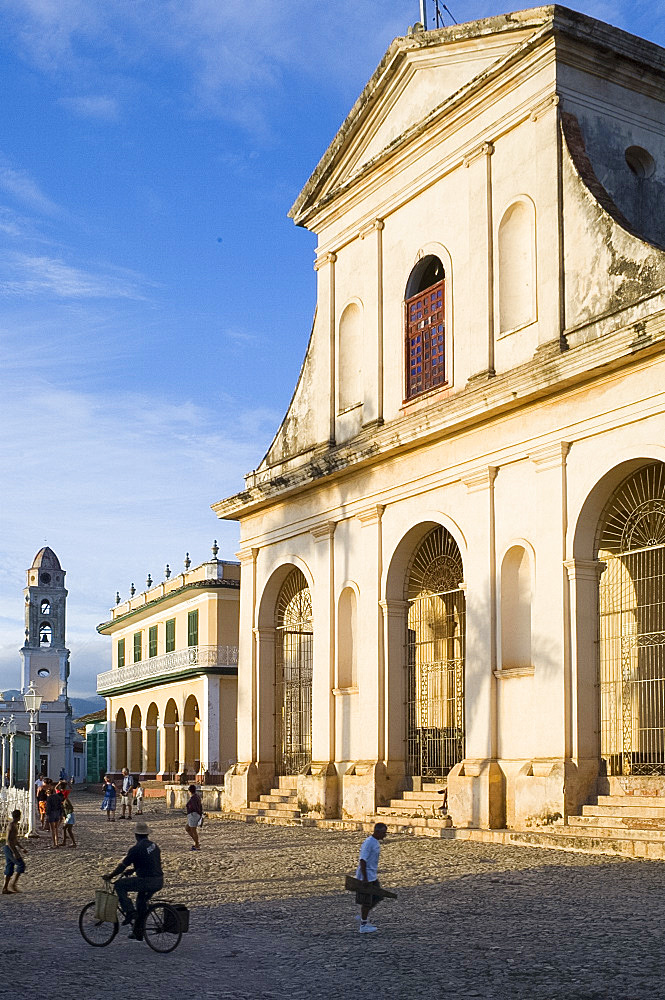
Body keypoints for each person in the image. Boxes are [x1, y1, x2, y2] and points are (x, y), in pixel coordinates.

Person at [104, 821, 163, 940]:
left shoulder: (136, 849)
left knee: (120, 885)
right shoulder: (154, 846)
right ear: (147, 834)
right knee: (141, 904)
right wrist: (133, 870)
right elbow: (150, 862)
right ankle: (138, 932)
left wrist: (110, 876)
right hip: (158, 880)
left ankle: (129, 912)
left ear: (136, 835)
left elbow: (122, 866)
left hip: (147, 881)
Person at [355, 822, 388, 934]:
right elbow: (363, 860)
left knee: (378, 896)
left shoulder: (375, 842)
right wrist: (364, 878)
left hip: (372, 875)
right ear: (377, 832)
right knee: (367, 901)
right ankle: (363, 925)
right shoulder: (369, 843)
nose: (385, 835)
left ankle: (364, 915)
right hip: (367, 876)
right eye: (383, 833)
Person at [3, 810, 25, 894]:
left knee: (9, 866)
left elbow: (14, 839)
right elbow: (9, 840)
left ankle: (5, 888)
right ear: (19, 816)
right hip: (9, 848)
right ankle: (13, 884)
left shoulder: (14, 825)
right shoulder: (11, 826)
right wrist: (14, 852)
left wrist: (21, 848)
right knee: (21, 864)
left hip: (10, 848)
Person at [45, 783, 64, 848]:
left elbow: (48, 807)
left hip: (51, 813)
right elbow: (61, 805)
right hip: (57, 812)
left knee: (52, 829)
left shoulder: (49, 798)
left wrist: (47, 815)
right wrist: (61, 814)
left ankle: (54, 844)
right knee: (56, 829)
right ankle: (57, 842)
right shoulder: (58, 797)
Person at [185, 784, 203, 851]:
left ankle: (197, 845)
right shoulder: (196, 797)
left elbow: (196, 807)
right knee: (187, 828)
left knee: (193, 830)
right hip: (193, 815)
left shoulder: (194, 798)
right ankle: (196, 842)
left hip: (193, 815)